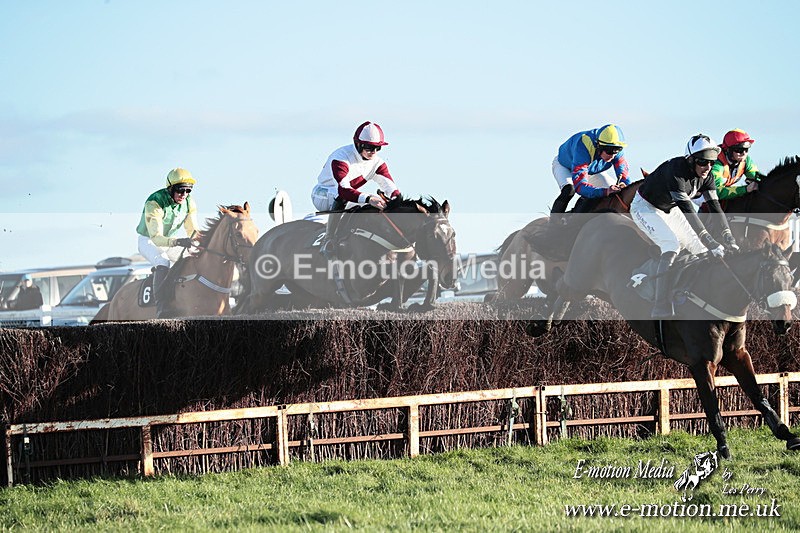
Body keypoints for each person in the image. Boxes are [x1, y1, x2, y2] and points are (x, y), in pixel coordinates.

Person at [631, 134, 739, 319]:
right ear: (691, 160)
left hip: (670, 208)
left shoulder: (708, 175)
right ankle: (660, 303)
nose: (708, 167)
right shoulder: (676, 172)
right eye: (703, 162)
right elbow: (689, 212)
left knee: (700, 249)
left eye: (712, 163)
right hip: (646, 207)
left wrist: (729, 237)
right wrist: (711, 241)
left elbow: (715, 207)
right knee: (671, 244)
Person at [311, 121, 401, 256]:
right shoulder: (341, 158)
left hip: (346, 194)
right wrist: (369, 198)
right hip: (323, 194)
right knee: (349, 198)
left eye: (378, 148)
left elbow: (391, 188)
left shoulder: (378, 163)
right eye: (369, 147)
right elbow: (343, 190)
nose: (374, 152)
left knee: (381, 203)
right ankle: (329, 240)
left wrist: (398, 202)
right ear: (358, 144)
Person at [135, 167, 200, 316]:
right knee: (163, 261)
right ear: (170, 188)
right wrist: (178, 242)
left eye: (188, 191)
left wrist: (202, 243)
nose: (184, 195)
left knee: (193, 257)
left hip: (171, 242)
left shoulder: (189, 202)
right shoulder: (154, 202)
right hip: (149, 241)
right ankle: (161, 307)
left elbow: (193, 230)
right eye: (180, 190)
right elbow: (157, 238)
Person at [551, 124, 631, 214]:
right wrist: (605, 191)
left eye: (617, 150)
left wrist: (623, 185)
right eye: (609, 151)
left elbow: (625, 178)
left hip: (589, 171)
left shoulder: (616, 150)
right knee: (569, 189)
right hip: (565, 167)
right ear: (599, 146)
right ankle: (553, 223)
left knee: (614, 193)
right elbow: (580, 187)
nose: (613, 155)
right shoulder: (583, 147)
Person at [712, 129, 759, 200]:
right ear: (728, 150)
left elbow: (757, 178)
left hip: (723, 189)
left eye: (746, 150)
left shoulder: (746, 161)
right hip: (702, 193)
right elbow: (716, 192)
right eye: (739, 150)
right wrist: (745, 189)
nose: (744, 154)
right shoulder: (716, 164)